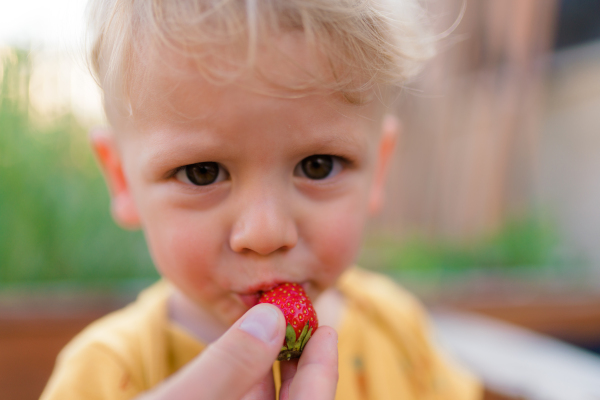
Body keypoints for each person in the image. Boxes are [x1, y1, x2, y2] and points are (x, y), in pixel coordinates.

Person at [41, 0, 481, 399]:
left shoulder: (399, 332)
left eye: (318, 166)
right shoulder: (103, 376)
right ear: (122, 180)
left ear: (378, 168)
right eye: (203, 172)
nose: (265, 233)